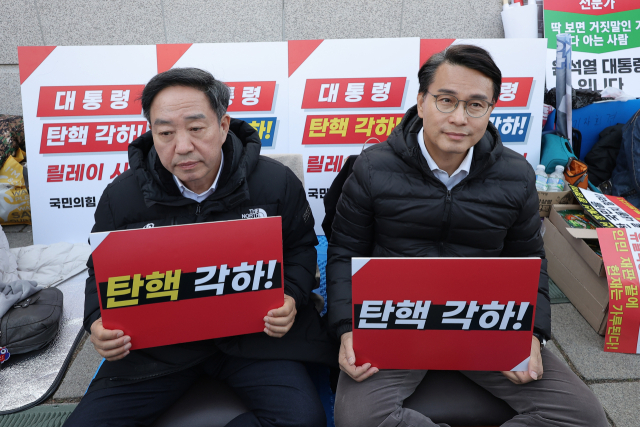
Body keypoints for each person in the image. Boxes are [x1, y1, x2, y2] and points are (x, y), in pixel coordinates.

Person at [326, 45, 608, 427]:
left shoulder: (515, 176)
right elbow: (344, 252)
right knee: (359, 419)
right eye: (446, 101)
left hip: (482, 318)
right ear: (421, 102)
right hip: (397, 319)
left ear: (490, 110)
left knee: (583, 416)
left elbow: (529, 258)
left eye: (476, 105)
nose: (459, 118)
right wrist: (347, 328)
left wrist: (532, 333)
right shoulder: (372, 168)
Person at [64, 67, 336, 427]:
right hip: (159, 346)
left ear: (223, 125)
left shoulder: (274, 182)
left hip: (254, 339)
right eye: (165, 133)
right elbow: (100, 270)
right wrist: (97, 321)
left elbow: (300, 249)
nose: (182, 147)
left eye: (196, 128)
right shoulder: (122, 196)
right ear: (151, 132)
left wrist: (290, 296)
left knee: (302, 420)